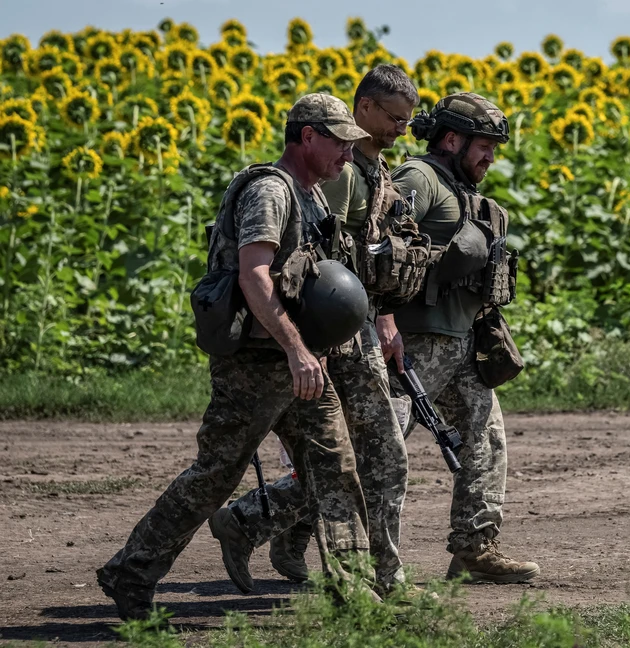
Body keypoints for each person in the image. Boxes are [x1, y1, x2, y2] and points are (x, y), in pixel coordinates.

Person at [96, 92, 376, 621]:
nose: (347, 154)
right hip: (257, 363)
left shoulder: (312, 195)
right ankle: (129, 573)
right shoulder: (271, 191)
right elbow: (254, 274)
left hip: (299, 362)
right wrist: (296, 349)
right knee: (215, 475)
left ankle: (356, 592)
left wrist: (309, 350)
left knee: (335, 465)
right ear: (308, 136)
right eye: (340, 142)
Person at [208, 65, 428, 596]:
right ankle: (372, 578)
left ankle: (257, 525)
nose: (402, 128)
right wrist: (312, 343)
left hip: (355, 329)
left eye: (408, 120)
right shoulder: (339, 173)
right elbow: (324, 264)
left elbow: (366, 260)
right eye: (394, 118)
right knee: (360, 455)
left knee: (357, 455)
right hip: (335, 334)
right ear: (364, 109)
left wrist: (386, 316)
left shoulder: (373, 169)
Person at [380, 92, 540, 583]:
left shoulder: (463, 189)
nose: (491, 157)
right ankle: (252, 517)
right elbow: (381, 251)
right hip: (413, 347)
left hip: (462, 344)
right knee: (378, 451)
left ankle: (475, 549)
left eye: (495, 147)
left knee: (486, 440)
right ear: (451, 139)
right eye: (484, 145)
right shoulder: (418, 179)